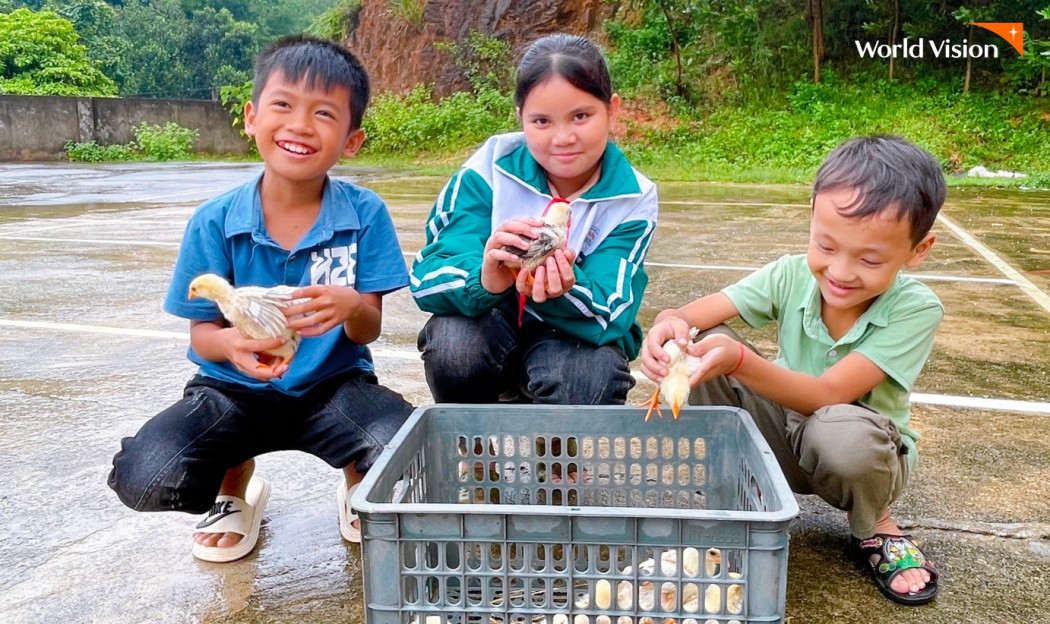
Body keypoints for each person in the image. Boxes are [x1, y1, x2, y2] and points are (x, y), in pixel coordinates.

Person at [108, 35, 413, 561]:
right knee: (147, 475)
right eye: (283, 104)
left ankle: (356, 477)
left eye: (323, 113)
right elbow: (202, 336)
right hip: (233, 390)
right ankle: (235, 485)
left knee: (404, 452)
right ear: (251, 117)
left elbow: (368, 329)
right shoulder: (215, 221)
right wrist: (232, 347)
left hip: (334, 386)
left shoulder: (364, 214)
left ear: (352, 140)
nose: (299, 124)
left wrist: (351, 306)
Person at [641, 135, 944, 605]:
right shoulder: (789, 274)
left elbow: (828, 394)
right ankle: (733, 504)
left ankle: (876, 523)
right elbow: (691, 313)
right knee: (703, 356)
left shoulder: (916, 309)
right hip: (783, 435)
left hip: (859, 455)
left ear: (918, 250)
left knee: (838, 430)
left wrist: (742, 360)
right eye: (825, 245)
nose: (841, 271)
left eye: (869, 259)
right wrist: (668, 331)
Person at [411, 33, 658, 405]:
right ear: (520, 118)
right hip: (492, 328)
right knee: (452, 346)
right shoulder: (488, 170)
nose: (563, 138)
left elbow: (613, 312)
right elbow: (426, 279)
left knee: (591, 377)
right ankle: (478, 456)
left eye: (581, 116)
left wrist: (565, 290)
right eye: (541, 121)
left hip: (570, 339)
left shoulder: (632, 197)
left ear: (613, 110)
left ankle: (557, 461)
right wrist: (486, 277)